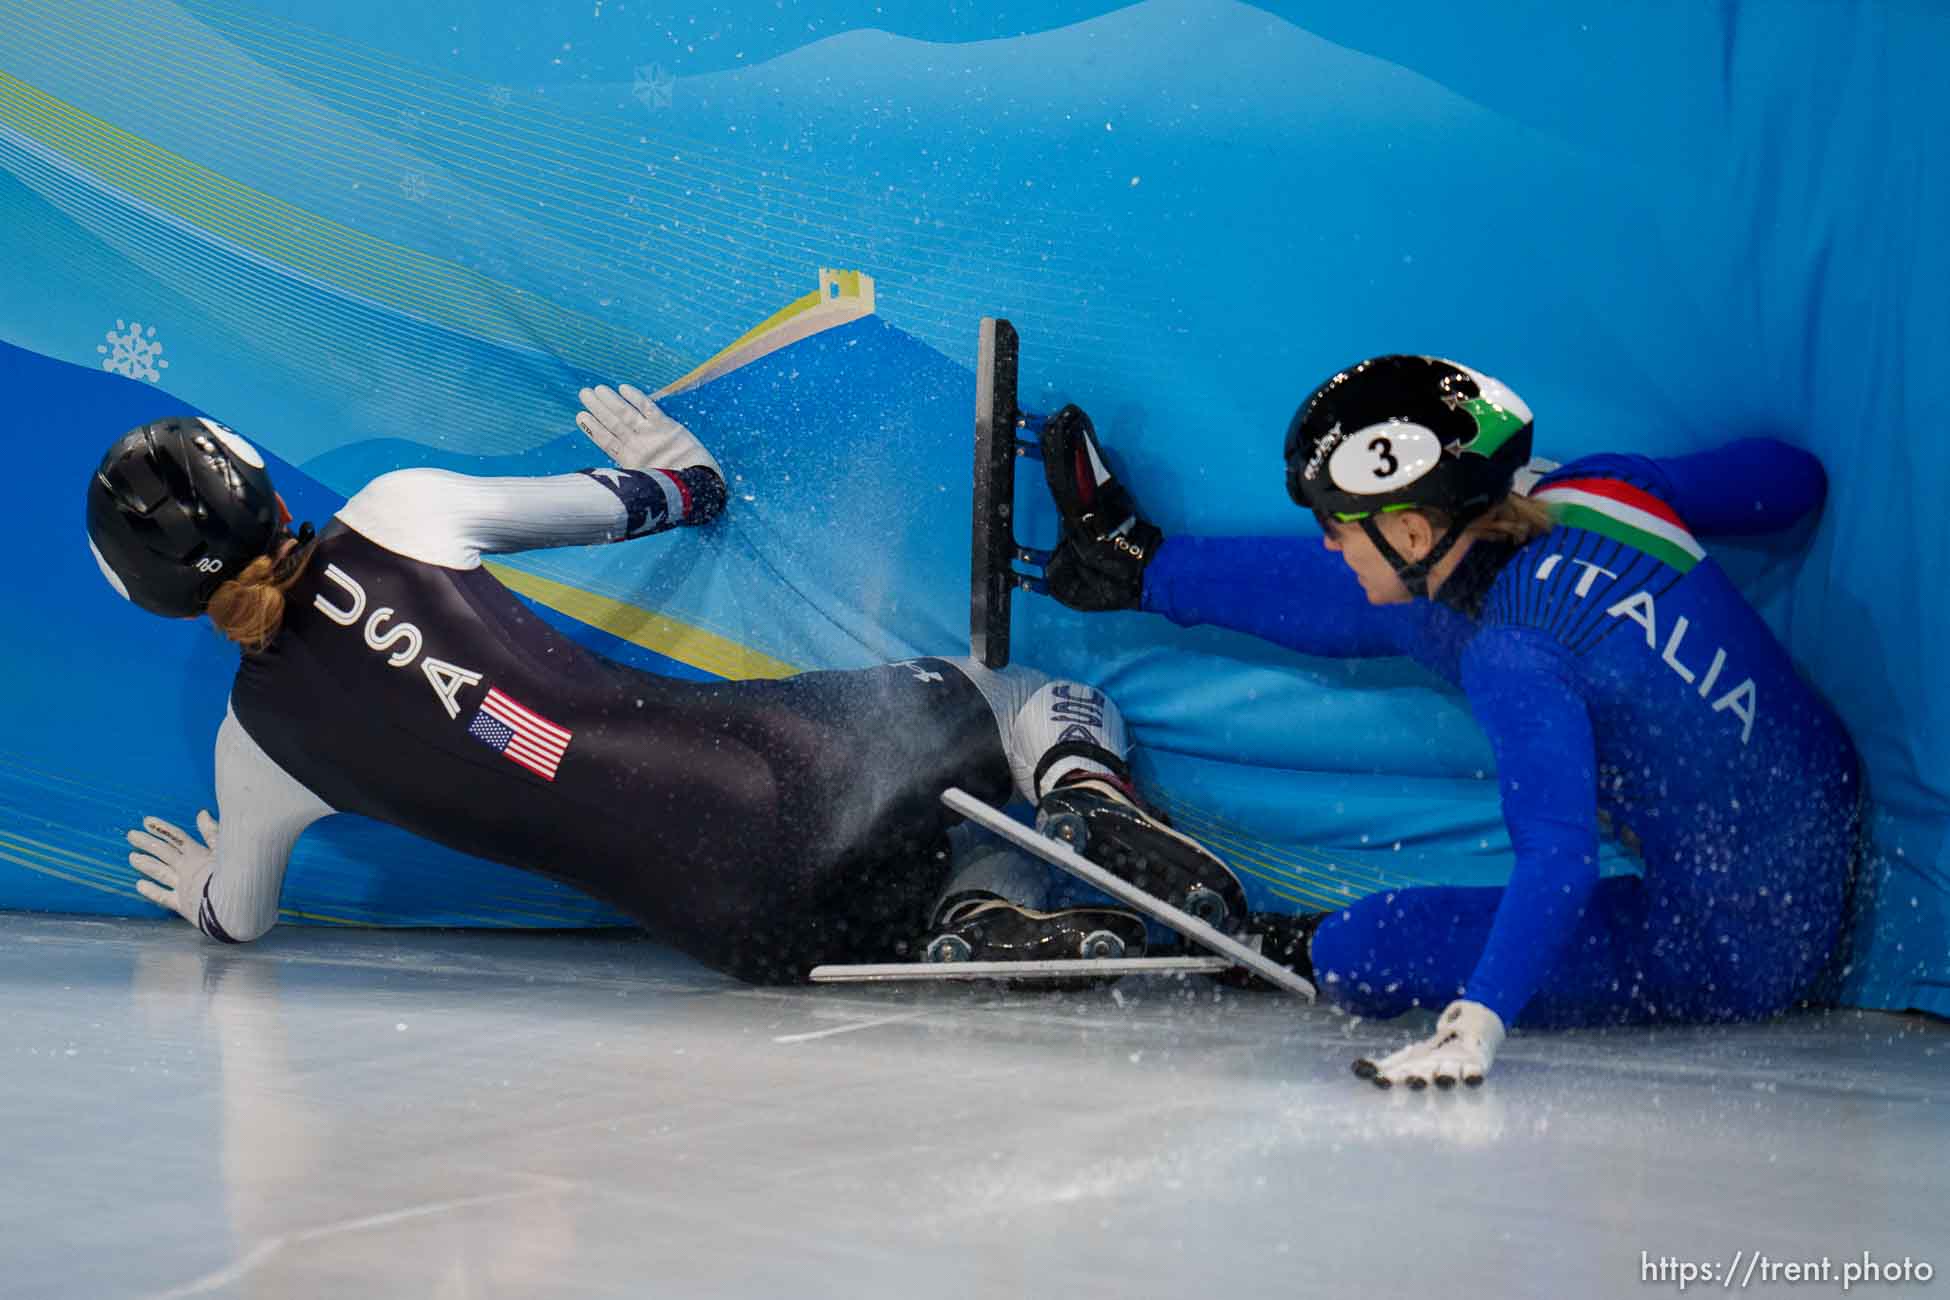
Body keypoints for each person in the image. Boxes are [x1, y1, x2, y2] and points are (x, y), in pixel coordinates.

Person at [89, 383, 1249, 984]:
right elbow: (673, 498)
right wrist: (677, 471)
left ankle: (977, 913)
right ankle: (1085, 784)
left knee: (929, 852)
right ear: (257, 487)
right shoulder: (399, 512)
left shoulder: (252, 752)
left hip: (741, 930)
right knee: (1000, 697)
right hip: (794, 771)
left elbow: (240, 920)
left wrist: (203, 891)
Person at [1034, 354, 1861, 1088]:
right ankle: (1137, 562)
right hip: (1824, 790)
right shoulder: (1607, 489)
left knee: (1367, 952)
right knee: (1408, 603)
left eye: (1336, 529)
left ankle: (1274, 940)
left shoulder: (1516, 659)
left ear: (1415, 526)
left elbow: (1560, 859)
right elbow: (1795, 482)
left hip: (1740, 946)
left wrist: (1480, 1021)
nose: (1325, 545)